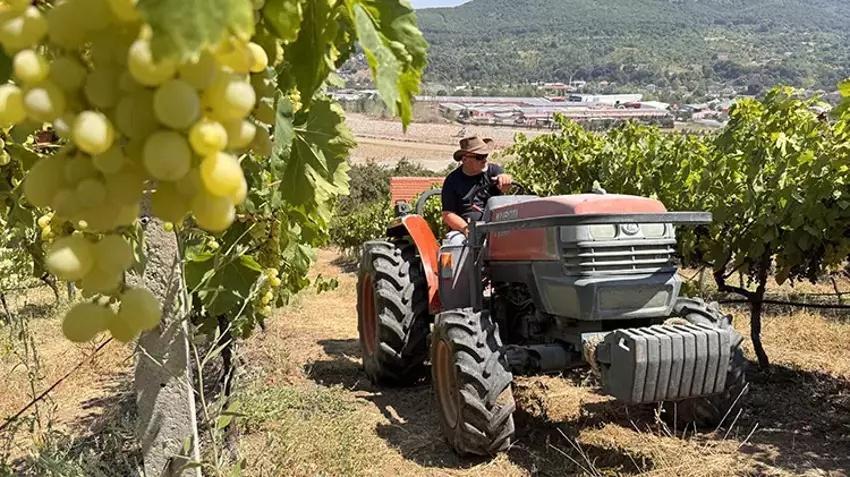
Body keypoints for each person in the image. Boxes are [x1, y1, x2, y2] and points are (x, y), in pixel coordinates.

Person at [441, 135, 512, 245]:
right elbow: (447, 214)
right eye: (479, 157)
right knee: (456, 243)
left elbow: (503, 179)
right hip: (463, 230)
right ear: (464, 159)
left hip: (495, 226)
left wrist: (505, 180)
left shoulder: (493, 171)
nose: (484, 160)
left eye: (485, 155)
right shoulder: (452, 181)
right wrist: (466, 229)